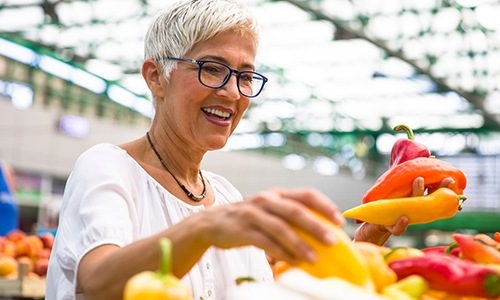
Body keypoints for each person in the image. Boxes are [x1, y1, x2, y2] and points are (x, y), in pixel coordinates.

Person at [45, 0, 452, 299]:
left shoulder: (225, 195)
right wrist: (204, 229)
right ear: (156, 77)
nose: (232, 92)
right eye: (213, 68)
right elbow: (96, 281)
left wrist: (371, 234)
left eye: (245, 76)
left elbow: (282, 289)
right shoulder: (108, 167)